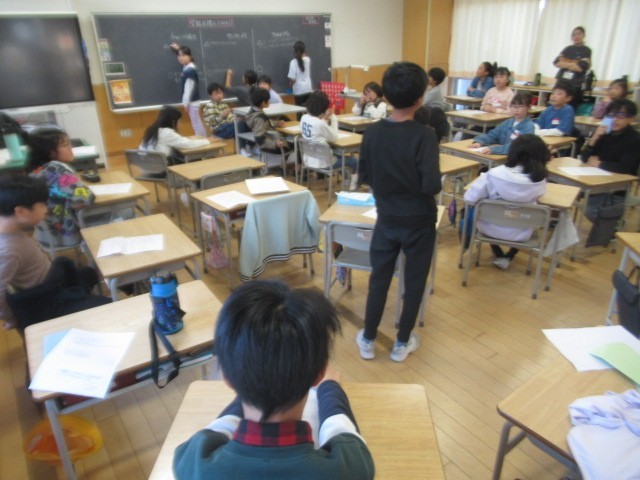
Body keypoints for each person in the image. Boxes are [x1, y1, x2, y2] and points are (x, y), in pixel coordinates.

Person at [173, 280, 374, 479]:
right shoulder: (350, 470)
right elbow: (343, 433)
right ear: (319, 373)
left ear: (226, 377)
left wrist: (252, 379)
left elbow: (216, 430)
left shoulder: (193, 463)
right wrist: (330, 387)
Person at [356, 62, 441, 362]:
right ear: (420, 98)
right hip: (419, 221)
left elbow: (364, 175)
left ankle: (368, 339)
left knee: (379, 278)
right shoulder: (425, 135)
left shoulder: (372, 133)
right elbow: (432, 185)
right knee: (415, 282)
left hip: (387, 218)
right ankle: (401, 343)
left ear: (387, 97)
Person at [0, 175, 108, 331]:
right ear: (21, 212)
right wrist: (12, 319)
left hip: (53, 283)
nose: (46, 209)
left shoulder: (11, 230)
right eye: (42, 205)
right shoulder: (6, 249)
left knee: (89, 273)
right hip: (47, 302)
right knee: (108, 307)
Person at [463, 134, 550, 270]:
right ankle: (509, 255)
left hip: (489, 229)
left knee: (481, 208)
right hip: (522, 232)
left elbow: (469, 198)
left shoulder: (494, 174)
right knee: (522, 213)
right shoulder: (540, 180)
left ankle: (497, 252)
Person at [27, 128, 95, 247]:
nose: (70, 148)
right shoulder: (55, 169)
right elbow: (87, 198)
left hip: (46, 233)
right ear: (50, 152)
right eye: (65, 145)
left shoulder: (37, 169)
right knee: (121, 212)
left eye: (69, 143)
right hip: (64, 232)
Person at [582, 98, 640, 220]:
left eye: (620, 115)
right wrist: (594, 138)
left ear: (631, 118)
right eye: (611, 115)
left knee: (590, 211)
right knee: (566, 192)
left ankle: (614, 223)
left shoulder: (634, 139)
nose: (615, 119)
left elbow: (625, 167)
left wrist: (599, 164)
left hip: (617, 186)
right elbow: (585, 158)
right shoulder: (605, 132)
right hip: (595, 179)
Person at [300, 91, 358, 179]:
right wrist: (333, 116)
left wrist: (324, 118)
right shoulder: (319, 123)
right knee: (353, 161)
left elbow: (317, 131)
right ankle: (355, 182)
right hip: (323, 163)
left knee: (339, 155)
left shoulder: (304, 117)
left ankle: (347, 179)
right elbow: (334, 137)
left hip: (309, 159)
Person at [139, 105, 217, 162]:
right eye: (179, 121)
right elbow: (189, 144)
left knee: (181, 155)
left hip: (147, 167)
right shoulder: (166, 132)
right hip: (160, 169)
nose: (180, 124)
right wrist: (208, 141)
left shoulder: (151, 129)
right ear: (173, 122)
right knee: (194, 159)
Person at [468, 92, 535, 155]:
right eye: (513, 106)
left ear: (528, 107)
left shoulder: (528, 126)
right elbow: (493, 135)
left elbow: (516, 147)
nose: (515, 110)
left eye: (520, 106)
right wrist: (480, 142)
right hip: (502, 157)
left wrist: (494, 149)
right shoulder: (507, 122)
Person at [169, 43, 206, 137]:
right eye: (179, 55)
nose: (180, 58)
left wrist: (185, 103)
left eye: (183, 55)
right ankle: (202, 138)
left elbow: (188, 89)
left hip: (192, 101)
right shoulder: (189, 66)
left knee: (196, 123)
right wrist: (178, 49)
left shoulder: (189, 71)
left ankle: (202, 139)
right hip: (193, 101)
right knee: (196, 121)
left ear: (189, 56)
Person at [553, 26, 592, 109]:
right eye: (574, 35)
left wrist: (565, 61)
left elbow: (579, 68)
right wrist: (574, 63)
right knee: (556, 107)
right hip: (561, 83)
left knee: (570, 109)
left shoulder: (586, 50)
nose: (576, 37)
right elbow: (556, 62)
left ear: (583, 35)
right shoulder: (567, 49)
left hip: (575, 85)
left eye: (578, 34)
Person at [245, 88, 290, 155]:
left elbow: (266, 124)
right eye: (268, 100)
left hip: (270, 142)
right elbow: (259, 139)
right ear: (263, 103)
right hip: (272, 146)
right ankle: (284, 161)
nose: (269, 102)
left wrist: (277, 123)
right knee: (295, 144)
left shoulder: (253, 112)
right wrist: (275, 143)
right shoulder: (260, 118)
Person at [288, 40, 313, 107]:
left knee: (299, 110)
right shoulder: (308, 60)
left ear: (294, 51)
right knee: (308, 109)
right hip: (308, 89)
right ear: (304, 50)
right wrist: (302, 51)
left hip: (298, 91)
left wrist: (290, 84)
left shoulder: (293, 62)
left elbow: (293, 79)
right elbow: (303, 56)